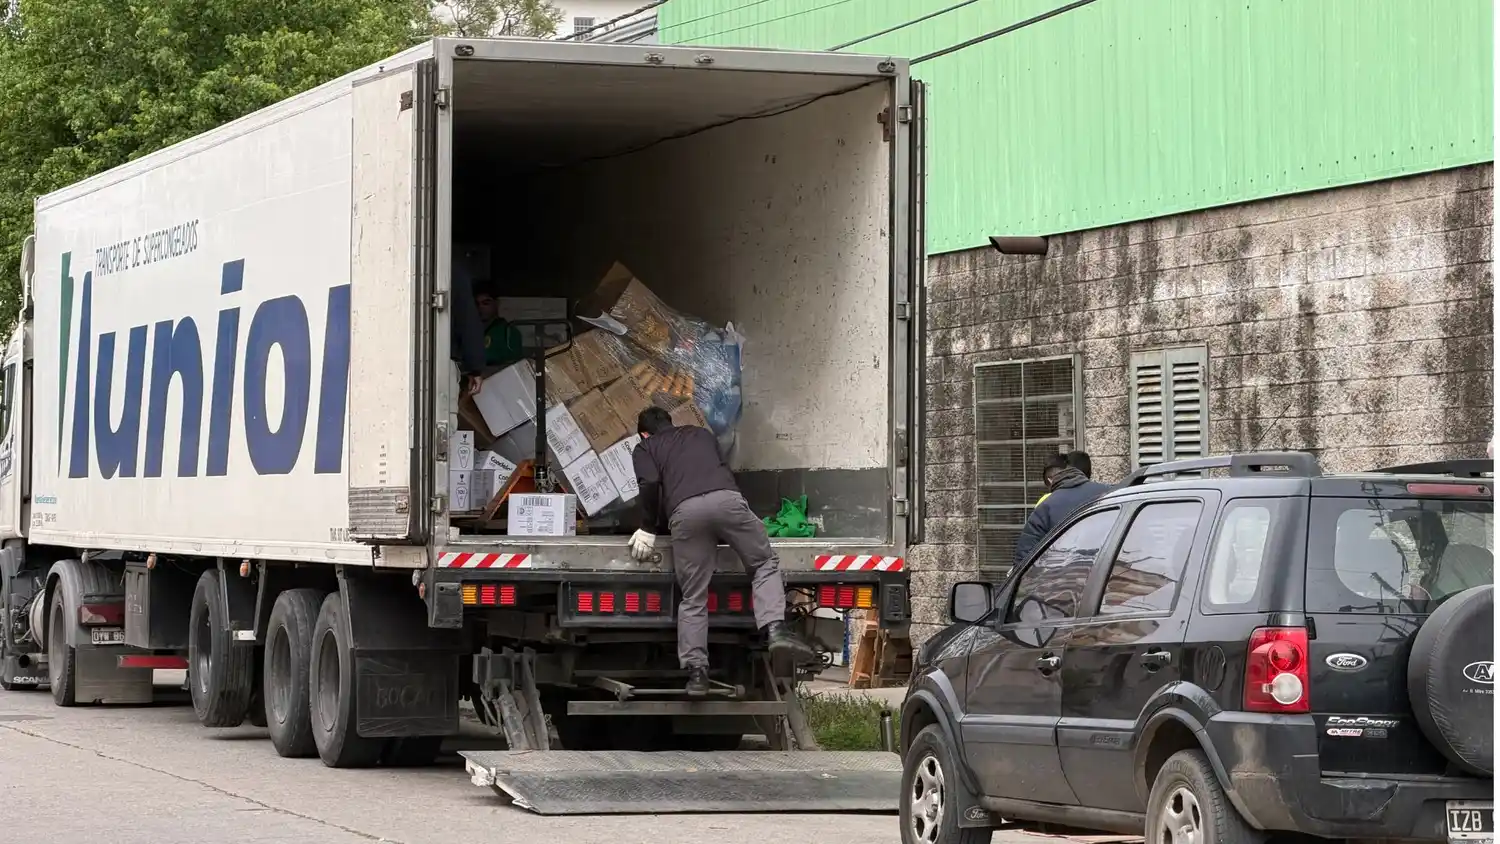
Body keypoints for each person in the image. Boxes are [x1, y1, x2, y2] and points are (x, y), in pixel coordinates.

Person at [628, 406, 817, 695]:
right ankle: (775, 630)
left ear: (644, 433)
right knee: (763, 563)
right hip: (727, 502)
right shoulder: (701, 434)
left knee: (693, 595)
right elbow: (721, 469)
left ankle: (697, 674)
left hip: (686, 513)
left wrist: (648, 527)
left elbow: (651, 483)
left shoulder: (645, 447)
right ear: (670, 422)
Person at [1014, 449, 1110, 565]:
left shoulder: (1046, 505)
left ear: (1050, 480)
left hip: (1063, 573)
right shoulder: (1111, 493)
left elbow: (1025, 559)